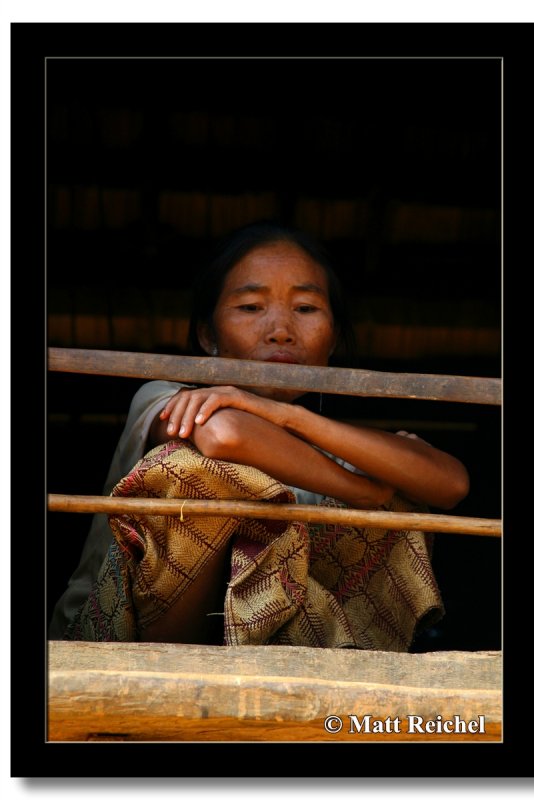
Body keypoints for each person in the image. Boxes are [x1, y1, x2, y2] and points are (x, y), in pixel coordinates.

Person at [49, 221, 469, 650]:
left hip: (292, 656)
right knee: (187, 467)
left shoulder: (335, 446)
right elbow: (224, 433)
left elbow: (450, 483)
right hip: (119, 646)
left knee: (398, 480)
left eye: (306, 308)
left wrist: (287, 416)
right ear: (207, 335)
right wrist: (360, 492)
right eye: (250, 307)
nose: (281, 329)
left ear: (334, 339)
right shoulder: (162, 396)